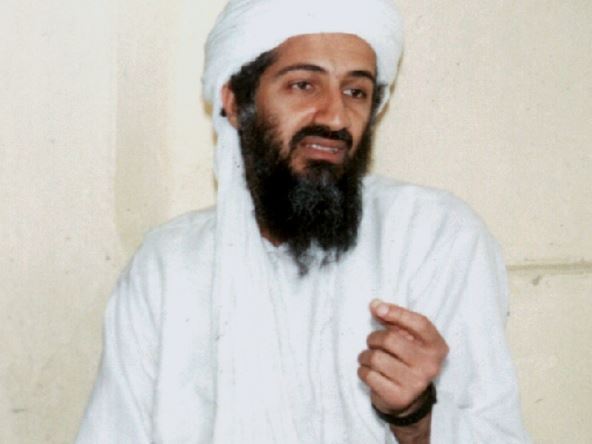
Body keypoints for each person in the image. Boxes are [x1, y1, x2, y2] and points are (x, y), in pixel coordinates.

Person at [76, 0, 530, 442]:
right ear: (234, 100)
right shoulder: (168, 266)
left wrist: (414, 418)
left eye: (355, 91)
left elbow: (496, 431)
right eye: (303, 85)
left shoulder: (434, 237)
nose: (335, 116)